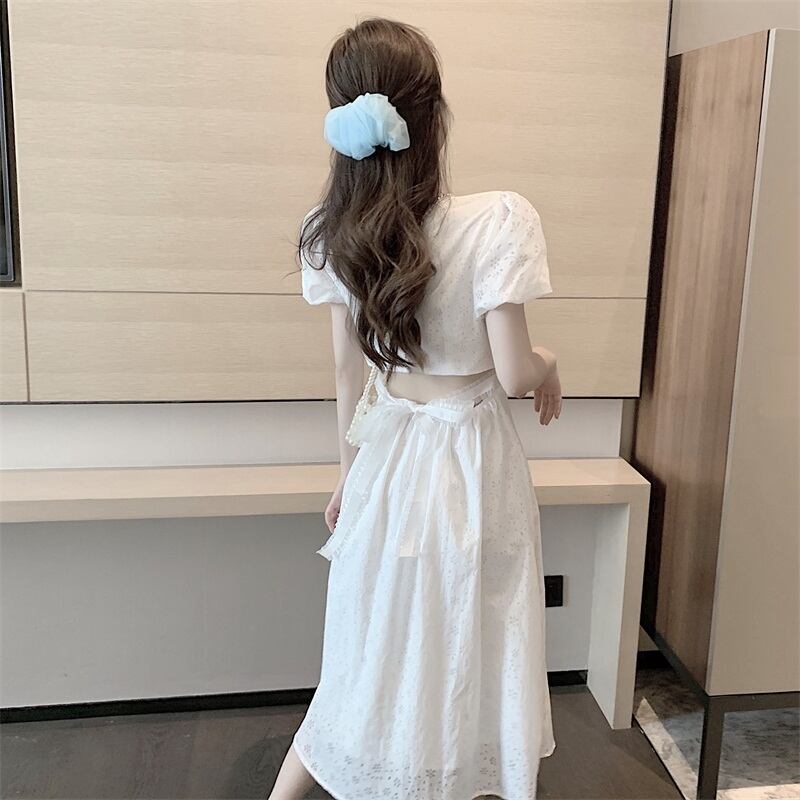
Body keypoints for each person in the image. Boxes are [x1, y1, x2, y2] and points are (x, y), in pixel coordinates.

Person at [269, 17, 561, 800]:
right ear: (434, 116)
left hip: (389, 457)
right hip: (472, 461)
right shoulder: (497, 220)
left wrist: (348, 476)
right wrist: (551, 363)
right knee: (472, 629)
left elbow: (348, 373)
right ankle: (456, 773)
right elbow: (513, 374)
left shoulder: (332, 234)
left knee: (372, 645)